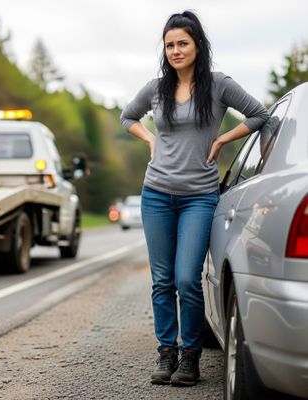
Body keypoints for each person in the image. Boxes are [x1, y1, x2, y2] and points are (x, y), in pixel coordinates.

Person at [120, 11, 269, 387]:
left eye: (182, 43)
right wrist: (151, 138)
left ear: (198, 46)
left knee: (187, 279)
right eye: (169, 45)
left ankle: (190, 355)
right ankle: (166, 351)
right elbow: (127, 117)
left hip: (199, 198)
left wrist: (220, 139)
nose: (175, 51)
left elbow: (259, 114)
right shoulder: (157, 88)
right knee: (161, 280)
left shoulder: (218, 86)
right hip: (156, 193)